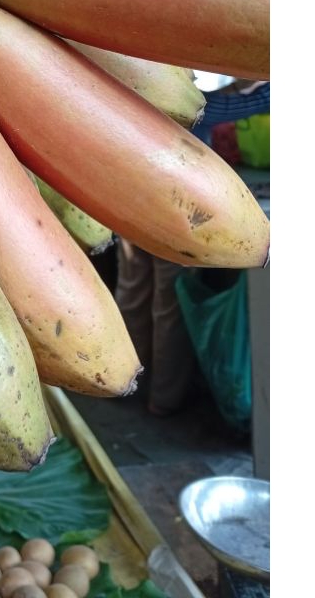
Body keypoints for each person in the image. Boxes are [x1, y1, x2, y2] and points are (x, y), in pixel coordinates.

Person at [114, 80, 269, 417]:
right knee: (168, 299)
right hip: (176, 193)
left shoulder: (138, 67)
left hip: (129, 183)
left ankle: (121, 383)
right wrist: (264, 97)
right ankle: (163, 399)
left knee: (135, 288)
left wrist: (240, 87)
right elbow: (198, 110)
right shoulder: (172, 81)